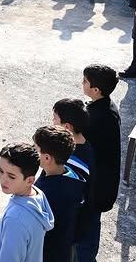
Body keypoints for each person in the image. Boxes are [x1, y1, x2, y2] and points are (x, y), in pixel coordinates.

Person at [76, 65, 121, 261]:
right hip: (102, 182)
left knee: (88, 227)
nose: (82, 83)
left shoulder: (96, 117)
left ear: (96, 90)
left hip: (96, 185)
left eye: (85, 81)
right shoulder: (107, 107)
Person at [0, 143, 54, 262]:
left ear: (29, 180)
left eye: (11, 176)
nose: (3, 179)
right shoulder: (37, 194)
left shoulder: (15, 220)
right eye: (1, 171)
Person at [32, 125, 85, 262]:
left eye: (35, 149)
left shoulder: (48, 194)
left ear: (48, 158)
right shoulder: (70, 174)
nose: (32, 151)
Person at [52, 98, 97, 248]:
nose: (52, 123)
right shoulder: (82, 144)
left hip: (66, 229)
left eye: (54, 119)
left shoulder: (76, 161)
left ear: (67, 127)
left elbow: (67, 198)